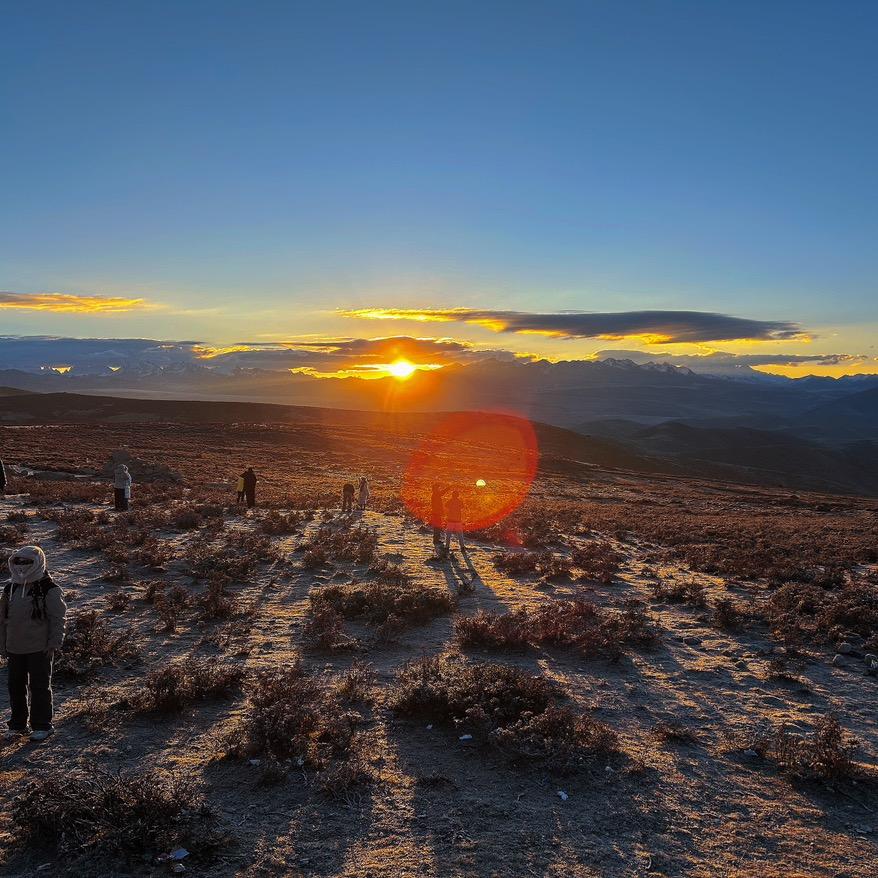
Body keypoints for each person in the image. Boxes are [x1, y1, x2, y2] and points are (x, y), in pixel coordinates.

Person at [0, 545, 67, 742]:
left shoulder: (49, 589)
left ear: (38, 562)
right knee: (15, 687)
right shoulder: (10, 588)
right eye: (18, 561)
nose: (22, 566)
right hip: (14, 648)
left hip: (40, 648)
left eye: (27, 562)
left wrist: (54, 643)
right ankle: (18, 724)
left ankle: (43, 725)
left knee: (40, 686)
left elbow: (58, 619)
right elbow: (2, 619)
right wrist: (2, 645)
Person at [444, 489, 466, 556]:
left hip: (450, 520)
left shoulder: (450, 501)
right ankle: (462, 547)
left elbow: (446, 505)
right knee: (460, 535)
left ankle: (447, 547)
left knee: (448, 534)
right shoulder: (460, 501)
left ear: (452, 495)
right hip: (458, 520)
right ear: (457, 495)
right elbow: (462, 507)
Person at [431, 483, 449, 555]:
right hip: (436, 513)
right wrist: (448, 488)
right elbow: (442, 493)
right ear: (435, 489)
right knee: (437, 526)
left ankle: (436, 539)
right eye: (437, 488)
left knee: (437, 526)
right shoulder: (436, 494)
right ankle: (436, 540)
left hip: (436, 513)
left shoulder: (435, 494)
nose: (438, 489)